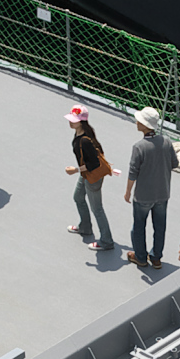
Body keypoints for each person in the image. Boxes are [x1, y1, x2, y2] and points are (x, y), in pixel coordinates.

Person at [124, 105, 174, 269]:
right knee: (160, 227)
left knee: (138, 227)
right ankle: (156, 258)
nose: (137, 122)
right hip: (163, 193)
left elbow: (133, 173)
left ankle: (140, 257)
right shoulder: (167, 142)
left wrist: (128, 192)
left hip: (143, 195)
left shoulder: (139, 146)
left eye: (139, 121)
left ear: (145, 126)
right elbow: (174, 163)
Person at [65, 104, 114, 251]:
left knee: (97, 208)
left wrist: (75, 170)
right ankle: (85, 227)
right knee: (78, 197)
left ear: (82, 122)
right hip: (86, 174)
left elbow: (93, 164)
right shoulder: (82, 134)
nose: (71, 122)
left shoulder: (85, 140)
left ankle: (106, 241)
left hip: (92, 176)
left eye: (74, 120)